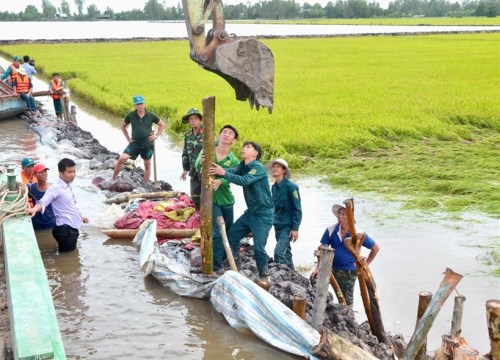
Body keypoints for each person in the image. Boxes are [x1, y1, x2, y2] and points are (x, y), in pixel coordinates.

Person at [209, 141, 274, 280]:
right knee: (233, 235)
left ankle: (264, 276)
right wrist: (215, 168)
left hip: (263, 215)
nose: (244, 149)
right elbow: (231, 171)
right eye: (244, 147)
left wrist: (223, 173)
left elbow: (244, 181)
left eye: (249, 147)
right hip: (250, 213)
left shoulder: (258, 167)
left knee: (259, 248)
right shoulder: (242, 166)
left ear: (255, 153)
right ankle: (236, 269)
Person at [310, 200, 380, 306]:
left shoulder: (358, 233)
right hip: (331, 268)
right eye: (339, 214)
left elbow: (375, 248)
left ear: (350, 218)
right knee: (317, 284)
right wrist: (318, 268)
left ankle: (348, 319)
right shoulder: (331, 230)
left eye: (344, 214)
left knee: (346, 300)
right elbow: (322, 249)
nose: (340, 217)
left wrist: (365, 265)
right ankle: (321, 309)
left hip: (348, 272)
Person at [195, 124, 240, 271]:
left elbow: (235, 176)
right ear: (219, 136)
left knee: (227, 232)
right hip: (211, 199)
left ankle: (224, 258)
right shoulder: (208, 150)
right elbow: (197, 167)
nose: (226, 134)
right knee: (216, 232)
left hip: (226, 200)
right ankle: (215, 266)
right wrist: (201, 162)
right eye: (224, 132)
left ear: (233, 141)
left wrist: (222, 180)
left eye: (230, 133)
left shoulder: (233, 160)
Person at [26, 158, 89, 252]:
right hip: (65, 230)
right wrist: (34, 209)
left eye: (74, 171)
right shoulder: (55, 188)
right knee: (68, 259)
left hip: (70, 228)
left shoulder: (68, 186)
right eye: (69, 172)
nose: (73, 175)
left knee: (68, 255)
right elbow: (43, 201)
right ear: (61, 173)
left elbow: (70, 205)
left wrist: (80, 217)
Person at [112, 95, 165, 184]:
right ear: (135, 106)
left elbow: (162, 124)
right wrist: (128, 139)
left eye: (141, 103)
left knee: (147, 164)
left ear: (144, 104)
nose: (139, 106)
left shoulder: (151, 115)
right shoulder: (131, 115)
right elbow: (123, 126)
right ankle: (113, 178)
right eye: (137, 104)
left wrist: (156, 135)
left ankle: (145, 184)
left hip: (147, 144)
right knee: (122, 159)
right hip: (134, 144)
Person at [266, 158, 302, 270]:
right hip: (277, 225)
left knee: (279, 253)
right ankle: (293, 274)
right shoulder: (274, 187)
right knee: (286, 252)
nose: (275, 168)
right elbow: (274, 208)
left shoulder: (291, 186)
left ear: (284, 170)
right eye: (273, 166)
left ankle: (281, 276)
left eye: (278, 167)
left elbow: (298, 209)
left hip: (287, 226)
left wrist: (295, 228)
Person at [180, 108, 204, 209]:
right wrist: (185, 169)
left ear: (200, 120)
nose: (193, 121)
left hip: (204, 171)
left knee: (208, 197)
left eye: (195, 118)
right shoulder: (188, 135)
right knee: (195, 197)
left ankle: (209, 221)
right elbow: (185, 152)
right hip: (193, 172)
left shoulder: (207, 133)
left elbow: (215, 151)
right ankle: (199, 218)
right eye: (191, 119)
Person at [28, 164, 56, 230]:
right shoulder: (31, 188)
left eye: (45, 171)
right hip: (36, 223)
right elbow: (21, 194)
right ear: (35, 175)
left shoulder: (54, 188)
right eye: (41, 172)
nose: (44, 174)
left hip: (51, 223)